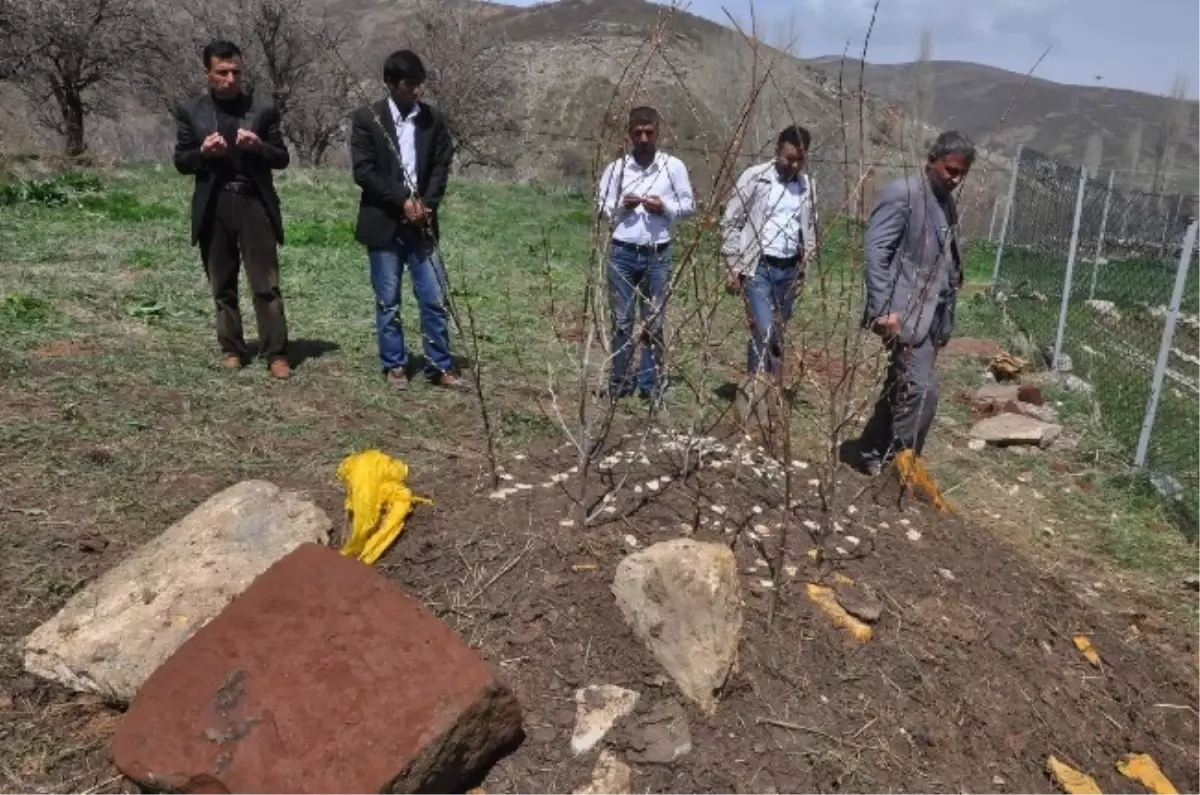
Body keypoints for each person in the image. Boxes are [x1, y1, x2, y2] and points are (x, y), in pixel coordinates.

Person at [850, 130, 975, 477]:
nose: (955, 178)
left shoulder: (944, 198)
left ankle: (870, 450)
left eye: (961, 173)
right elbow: (877, 252)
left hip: (934, 315)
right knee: (923, 391)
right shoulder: (903, 193)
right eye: (950, 170)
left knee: (901, 384)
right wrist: (883, 309)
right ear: (932, 159)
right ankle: (900, 463)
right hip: (904, 313)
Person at [349, 49, 467, 391]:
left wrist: (426, 204)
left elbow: (442, 165)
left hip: (423, 224)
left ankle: (439, 365)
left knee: (433, 296)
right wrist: (402, 201)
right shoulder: (366, 119)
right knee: (388, 299)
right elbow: (364, 171)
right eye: (408, 85)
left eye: (419, 85)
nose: (415, 92)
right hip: (384, 222)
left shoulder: (433, 120)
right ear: (390, 83)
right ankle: (395, 365)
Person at [173, 40, 292, 379]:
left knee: (265, 284)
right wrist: (202, 153)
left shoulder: (261, 110)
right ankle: (232, 349)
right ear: (208, 73)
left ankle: (276, 354)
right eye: (222, 72)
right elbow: (181, 161)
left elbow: (281, 157)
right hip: (215, 204)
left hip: (254, 201)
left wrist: (259, 147)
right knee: (222, 284)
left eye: (236, 72)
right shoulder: (191, 112)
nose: (230, 79)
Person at [595, 106, 695, 400]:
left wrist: (663, 208)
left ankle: (650, 385)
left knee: (654, 321)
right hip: (622, 252)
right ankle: (620, 383)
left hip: (657, 254)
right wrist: (623, 206)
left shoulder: (673, 167)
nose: (643, 138)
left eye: (648, 132)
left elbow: (688, 205)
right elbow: (601, 208)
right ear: (629, 133)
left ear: (657, 132)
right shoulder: (616, 169)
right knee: (622, 321)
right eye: (637, 132)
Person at [721, 125, 817, 380]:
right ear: (777, 152)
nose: (794, 165)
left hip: (789, 271)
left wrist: (805, 262)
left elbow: (809, 228)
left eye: (800, 160)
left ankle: (771, 390)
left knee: (777, 334)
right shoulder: (755, 178)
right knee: (763, 329)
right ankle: (755, 388)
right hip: (759, 267)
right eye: (789, 158)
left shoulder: (807, 187)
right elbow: (732, 220)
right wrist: (733, 263)